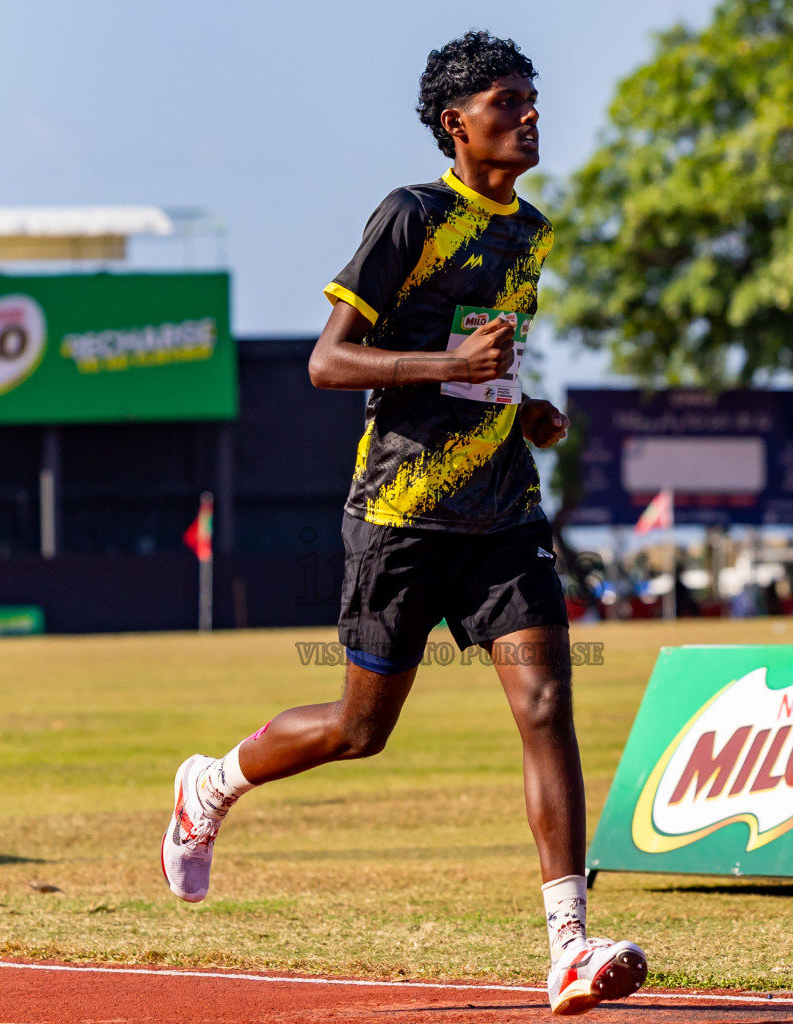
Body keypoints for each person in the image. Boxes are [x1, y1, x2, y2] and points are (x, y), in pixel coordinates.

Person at [159, 30, 648, 1017]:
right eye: (508, 102)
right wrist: (447, 371)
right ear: (454, 124)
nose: (530, 116)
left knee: (547, 704)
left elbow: (489, 362)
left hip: (502, 509)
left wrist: (525, 408)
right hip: (402, 513)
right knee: (359, 728)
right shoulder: (412, 215)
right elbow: (328, 363)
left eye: (533, 99)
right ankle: (211, 783)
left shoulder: (533, 232)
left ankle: (567, 943)